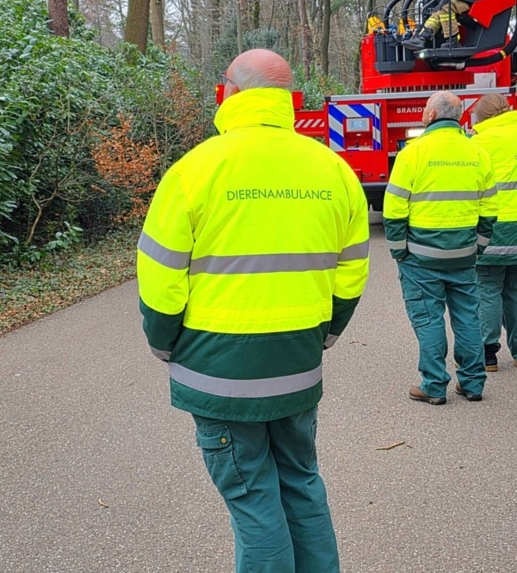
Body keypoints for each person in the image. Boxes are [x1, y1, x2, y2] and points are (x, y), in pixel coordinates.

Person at [137, 49, 370, 573]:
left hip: (219, 370)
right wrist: (325, 335)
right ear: (287, 99)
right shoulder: (332, 170)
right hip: (297, 362)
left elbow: (160, 277)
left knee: (251, 497)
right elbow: (352, 269)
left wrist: (164, 343)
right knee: (301, 482)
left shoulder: (194, 170)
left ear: (231, 91)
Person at [383, 91, 498, 404]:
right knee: (468, 317)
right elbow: (489, 208)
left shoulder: (413, 153)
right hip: (463, 254)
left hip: (421, 256)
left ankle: (434, 386)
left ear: (431, 115)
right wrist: (478, 247)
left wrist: (399, 250)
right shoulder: (478, 153)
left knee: (428, 319)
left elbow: (394, 208)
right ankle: (473, 384)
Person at [469, 93, 517, 371]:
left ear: (482, 117)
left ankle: (488, 354)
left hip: (496, 226)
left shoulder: (481, 142)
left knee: (488, 286)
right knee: (516, 286)